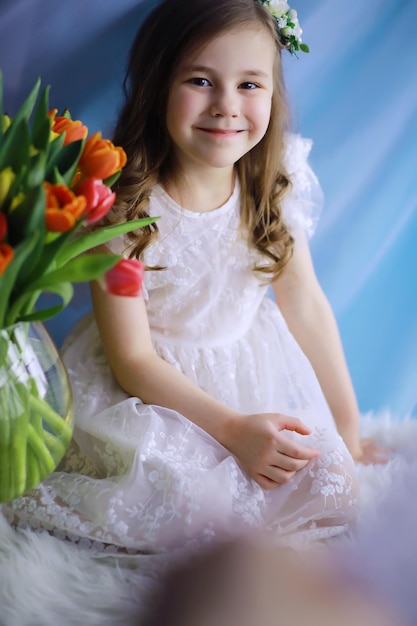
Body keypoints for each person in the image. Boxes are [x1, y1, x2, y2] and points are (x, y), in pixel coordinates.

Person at [3, 0, 389, 553]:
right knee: (173, 493)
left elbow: (306, 305)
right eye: (202, 80)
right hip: (154, 391)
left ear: (273, 94)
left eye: (250, 84)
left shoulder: (275, 181)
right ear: (158, 86)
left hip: (253, 373)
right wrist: (232, 432)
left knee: (334, 481)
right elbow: (132, 360)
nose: (227, 106)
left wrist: (349, 432)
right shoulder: (124, 203)